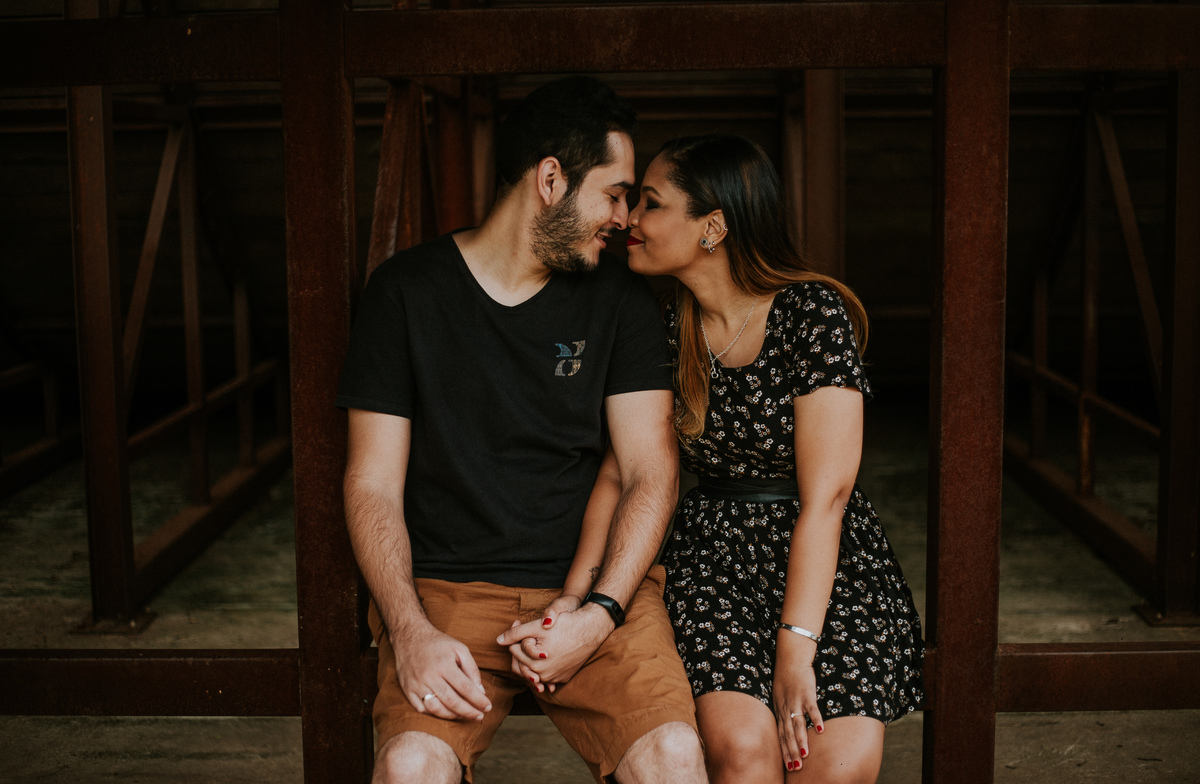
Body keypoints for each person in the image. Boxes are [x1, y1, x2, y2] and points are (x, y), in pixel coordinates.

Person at [336, 77, 707, 784]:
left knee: (673, 759)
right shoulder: (405, 293)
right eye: (615, 193)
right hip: (446, 596)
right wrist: (409, 629)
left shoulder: (619, 299)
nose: (626, 218)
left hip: (596, 589)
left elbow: (649, 472)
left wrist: (599, 613)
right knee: (410, 767)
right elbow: (371, 484)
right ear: (549, 180)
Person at [522, 134, 924, 783]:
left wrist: (796, 652)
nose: (630, 220)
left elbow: (827, 497)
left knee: (835, 768)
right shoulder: (662, 325)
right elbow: (622, 473)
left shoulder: (811, 314)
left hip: (825, 564)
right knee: (742, 752)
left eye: (650, 203)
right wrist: (576, 598)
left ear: (712, 226)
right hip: (714, 562)